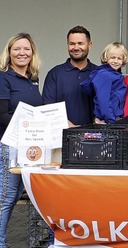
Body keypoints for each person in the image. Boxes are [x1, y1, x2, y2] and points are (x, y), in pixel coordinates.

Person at [0, 33, 44, 246]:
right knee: (6, 197)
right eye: (16, 49)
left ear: (32, 53)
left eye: (26, 49)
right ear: (9, 52)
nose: (22, 53)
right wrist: (31, 127)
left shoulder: (33, 79)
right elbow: (1, 115)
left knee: (16, 193)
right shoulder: (3, 77)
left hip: (29, 144)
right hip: (10, 144)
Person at [42, 26, 97, 127]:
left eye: (80, 43)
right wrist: (72, 128)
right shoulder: (55, 74)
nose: (76, 47)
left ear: (89, 45)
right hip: (61, 136)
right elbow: (48, 108)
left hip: (94, 137)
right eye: (72, 44)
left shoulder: (98, 73)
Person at [80, 42, 128, 124]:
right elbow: (103, 100)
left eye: (119, 58)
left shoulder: (116, 75)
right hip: (107, 120)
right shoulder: (105, 75)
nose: (116, 61)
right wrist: (110, 121)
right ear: (106, 58)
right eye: (112, 57)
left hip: (113, 118)